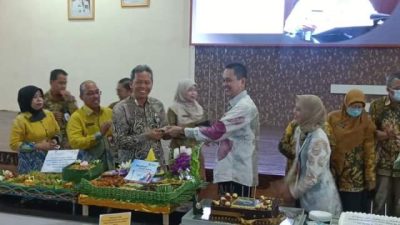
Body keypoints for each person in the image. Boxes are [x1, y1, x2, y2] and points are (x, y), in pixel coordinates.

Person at [166, 63, 259, 197]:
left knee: (234, 214)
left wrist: (182, 130)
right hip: (227, 171)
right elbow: (225, 135)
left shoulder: (244, 107)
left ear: (242, 81)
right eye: (223, 80)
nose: (224, 84)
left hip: (237, 175)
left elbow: (216, 132)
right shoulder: (236, 105)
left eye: (229, 80)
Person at [281, 95, 341, 215]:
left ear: (309, 113)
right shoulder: (301, 130)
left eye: (298, 109)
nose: (294, 111)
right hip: (307, 198)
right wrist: (287, 182)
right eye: (295, 108)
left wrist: (292, 193)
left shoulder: (319, 139)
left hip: (322, 203)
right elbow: (297, 160)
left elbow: (311, 177)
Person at [328, 89, 376, 213]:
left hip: (355, 179)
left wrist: (371, 179)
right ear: (346, 104)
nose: (356, 109)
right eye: (353, 106)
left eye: (359, 107)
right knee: (333, 211)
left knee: (351, 212)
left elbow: (370, 152)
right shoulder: (333, 118)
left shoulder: (367, 122)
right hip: (334, 173)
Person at [112, 65, 167, 165]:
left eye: (147, 82)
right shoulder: (120, 108)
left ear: (152, 84)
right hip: (132, 168)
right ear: (131, 84)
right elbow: (119, 142)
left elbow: (165, 132)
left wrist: (173, 131)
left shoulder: (158, 105)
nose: (143, 86)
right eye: (139, 82)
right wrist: (146, 136)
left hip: (157, 166)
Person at [9, 85, 60, 174]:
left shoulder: (48, 114)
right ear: (26, 100)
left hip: (50, 161)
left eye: (40, 96)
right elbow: (14, 144)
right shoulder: (20, 120)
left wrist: (55, 139)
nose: (39, 99)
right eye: (34, 97)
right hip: (30, 164)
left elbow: (57, 132)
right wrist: (37, 146)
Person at [370, 72, 400, 216]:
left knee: (399, 205)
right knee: (379, 203)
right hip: (383, 163)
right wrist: (384, 135)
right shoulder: (377, 106)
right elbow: (370, 132)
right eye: (398, 87)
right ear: (388, 89)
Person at [67, 80, 114, 170]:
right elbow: (75, 143)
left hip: (111, 165)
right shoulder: (76, 117)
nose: (95, 96)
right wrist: (99, 134)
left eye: (97, 92)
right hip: (89, 167)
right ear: (81, 97)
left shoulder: (109, 112)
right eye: (90, 93)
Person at [167, 79, 208, 179]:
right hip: (179, 151)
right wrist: (192, 128)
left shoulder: (199, 109)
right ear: (181, 91)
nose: (193, 93)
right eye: (189, 90)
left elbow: (205, 128)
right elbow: (171, 131)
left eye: (195, 90)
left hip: (196, 150)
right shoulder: (174, 109)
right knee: (180, 182)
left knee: (197, 180)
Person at [44, 69, 78, 149]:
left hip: (68, 142)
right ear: (51, 82)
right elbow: (36, 122)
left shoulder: (70, 99)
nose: (63, 86)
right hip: (51, 142)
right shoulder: (42, 100)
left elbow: (78, 118)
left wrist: (70, 101)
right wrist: (50, 117)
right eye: (60, 83)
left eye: (65, 83)